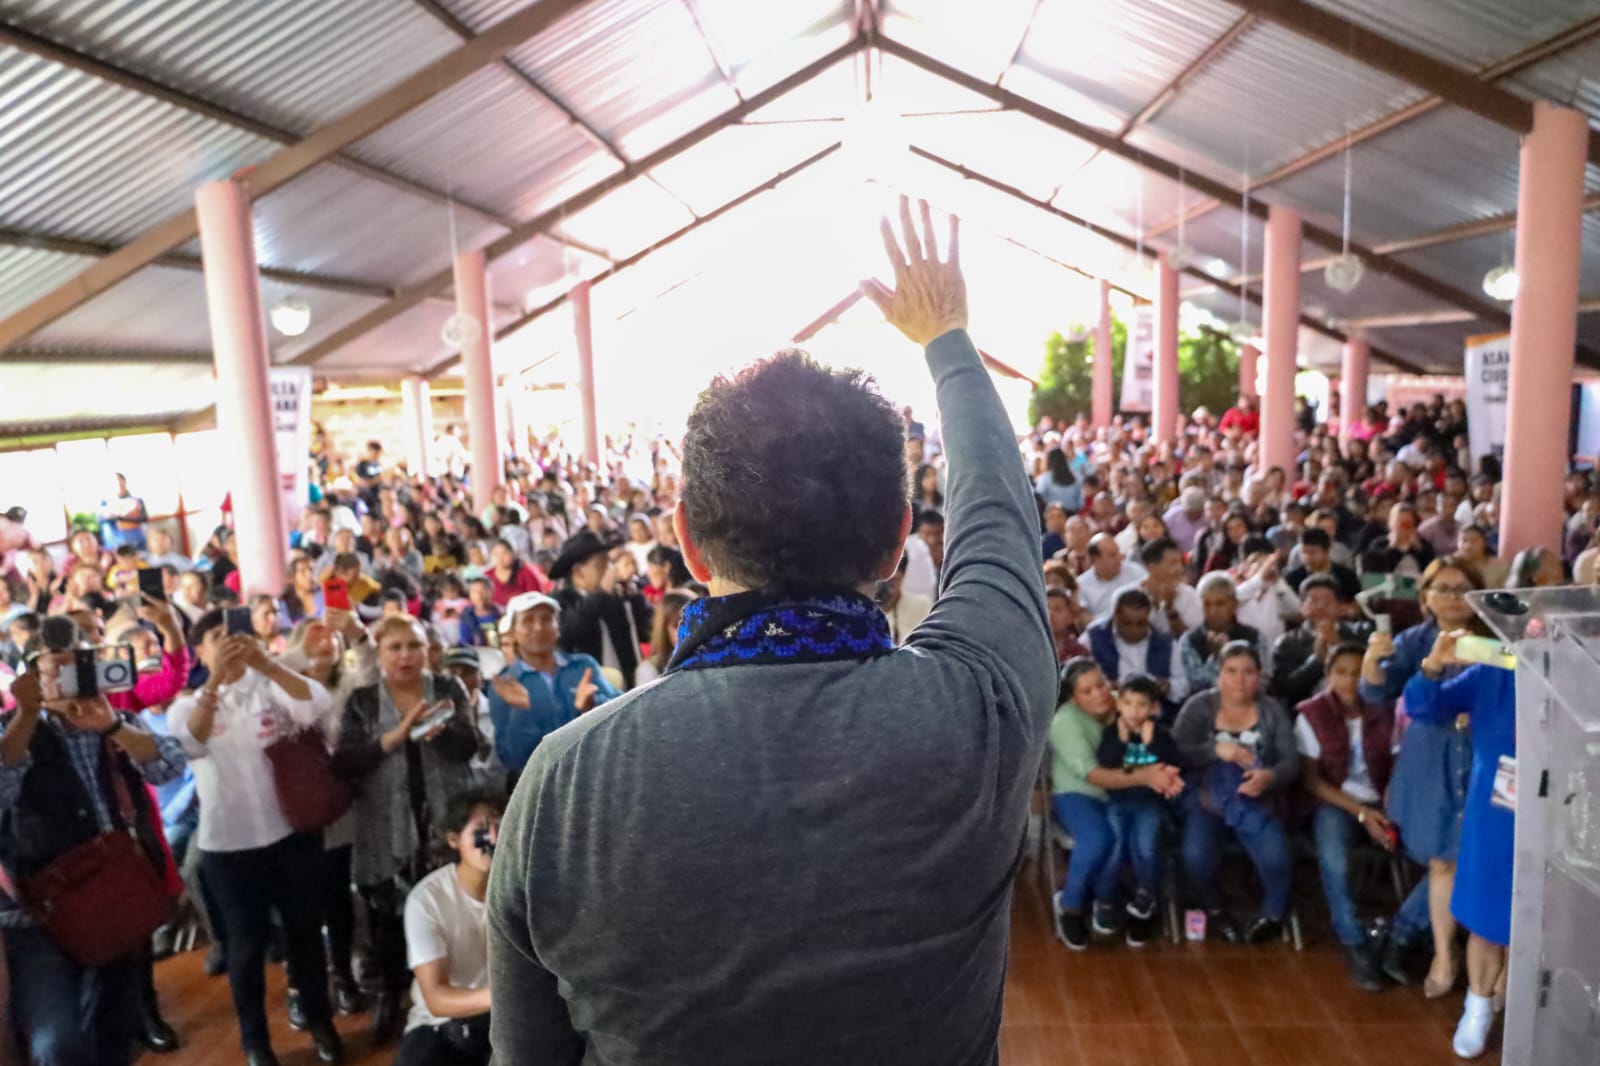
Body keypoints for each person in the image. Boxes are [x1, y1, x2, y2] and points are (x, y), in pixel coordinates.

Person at [488, 201, 1057, 1063]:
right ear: (899, 538)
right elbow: (1002, 525)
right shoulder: (974, 714)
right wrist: (947, 340)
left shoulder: (562, 782)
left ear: (684, 537)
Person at [0, 625, 186, 1066]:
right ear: (33, 678)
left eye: (80, 664)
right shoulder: (15, 728)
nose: (71, 678)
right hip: (49, 907)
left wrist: (112, 725)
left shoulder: (111, 717)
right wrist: (26, 715)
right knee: (60, 1038)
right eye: (57, 669)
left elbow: (167, 768)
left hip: (118, 891)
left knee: (115, 1020)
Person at [165, 611, 344, 1066]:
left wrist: (268, 665)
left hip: (290, 833)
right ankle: (255, 1042)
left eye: (236, 635)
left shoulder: (272, 687)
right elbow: (190, 742)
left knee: (305, 934)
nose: (230, 644)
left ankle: (321, 1022)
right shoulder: (188, 703)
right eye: (217, 638)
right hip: (228, 846)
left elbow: (317, 702)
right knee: (245, 947)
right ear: (199, 651)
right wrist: (214, 682)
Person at [333, 616, 480, 1045]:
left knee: (452, 908)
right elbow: (344, 762)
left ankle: (458, 993)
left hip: (445, 818)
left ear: (427, 649)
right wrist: (393, 738)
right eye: (394, 647)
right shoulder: (361, 701)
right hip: (385, 822)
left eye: (413, 646)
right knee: (388, 919)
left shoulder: (448, 688)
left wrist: (439, 737)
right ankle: (392, 995)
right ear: (378, 654)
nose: (405, 656)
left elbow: (469, 745)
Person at [1362, 556, 1484, 995]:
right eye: (1442, 589)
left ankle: (1413, 935)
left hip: (1481, 755)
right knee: (1441, 858)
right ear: (1426, 597)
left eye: (1461, 588)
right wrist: (1372, 660)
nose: (1452, 598)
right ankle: (1439, 952)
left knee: (1469, 855)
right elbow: (1376, 690)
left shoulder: (1496, 636)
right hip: (1431, 757)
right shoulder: (1415, 640)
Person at [1403, 631, 1515, 1059]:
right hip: (1499, 806)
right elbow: (1424, 706)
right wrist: (1433, 664)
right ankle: (1478, 1006)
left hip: (1572, 805)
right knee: (1488, 912)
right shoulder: (1498, 668)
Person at [278, 613, 376, 1023]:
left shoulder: (347, 686)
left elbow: (372, 677)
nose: (326, 642)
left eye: (331, 637)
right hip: (293, 807)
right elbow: (270, 669)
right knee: (299, 903)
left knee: (337, 897)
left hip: (340, 804)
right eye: (314, 635)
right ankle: (302, 985)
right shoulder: (281, 689)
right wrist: (300, 657)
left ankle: (343, 976)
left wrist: (355, 634)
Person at [1048, 659, 1182, 950]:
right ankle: (1070, 906)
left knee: (1147, 837)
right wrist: (1146, 776)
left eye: (1101, 684)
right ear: (1073, 697)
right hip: (1079, 793)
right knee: (1098, 839)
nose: (1099, 694)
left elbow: (1161, 735)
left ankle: (1137, 903)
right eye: (1087, 691)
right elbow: (1094, 775)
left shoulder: (1125, 703)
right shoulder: (1064, 722)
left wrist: (1162, 775)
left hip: (1128, 796)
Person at [1172, 642, 1298, 944]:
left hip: (1254, 796)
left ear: (1260, 676)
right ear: (1218, 674)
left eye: (1247, 672)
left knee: (1278, 858)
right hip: (1206, 798)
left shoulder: (1271, 711)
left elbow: (1291, 763)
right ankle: (1214, 908)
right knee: (1195, 857)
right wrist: (1214, 750)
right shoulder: (1199, 706)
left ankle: (1272, 913)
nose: (1239, 680)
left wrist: (1269, 776)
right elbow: (1176, 752)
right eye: (1231, 671)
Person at [1297, 643, 1399, 991]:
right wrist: (1361, 813)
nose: (1350, 680)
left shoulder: (1385, 712)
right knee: (1335, 859)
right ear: (1328, 676)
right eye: (1341, 672)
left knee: (1435, 856)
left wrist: (1386, 806)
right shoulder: (1311, 714)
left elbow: (1399, 768)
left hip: (1382, 801)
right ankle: (1354, 941)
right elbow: (1311, 781)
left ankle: (1401, 934)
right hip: (1336, 803)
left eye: (1358, 672)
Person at [395, 789, 500, 1066]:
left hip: (508, 1018)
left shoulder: (520, 888)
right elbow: (437, 998)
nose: (494, 837)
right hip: (444, 1024)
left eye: (500, 825)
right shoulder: (426, 900)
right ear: (454, 840)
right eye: (481, 829)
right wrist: (505, 993)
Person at [1093, 673, 1181, 947]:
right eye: (1128, 703)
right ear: (1118, 704)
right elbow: (1105, 762)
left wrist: (1151, 742)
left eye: (1142, 704)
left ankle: (1146, 899)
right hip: (1118, 800)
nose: (1134, 710)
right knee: (1115, 846)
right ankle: (1105, 900)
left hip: (1149, 803)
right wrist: (1121, 741)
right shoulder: (1111, 732)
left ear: (1153, 707)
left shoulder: (1161, 733)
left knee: (1146, 847)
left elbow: (1174, 761)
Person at [485, 592, 613, 780]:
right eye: (528, 621)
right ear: (513, 633)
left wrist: (593, 705)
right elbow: (512, 759)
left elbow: (622, 713)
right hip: (542, 787)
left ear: (557, 628)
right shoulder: (504, 686)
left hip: (595, 774)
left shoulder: (583, 667)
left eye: (546, 619)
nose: (538, 627)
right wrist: (521, 711)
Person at [547, 530, 652, 689]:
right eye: (600, 565)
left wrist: (634, 597)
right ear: (578, 571)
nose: (609, 570)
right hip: (589, 691)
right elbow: (567, 633)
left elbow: (647, 632)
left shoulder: (616, 597)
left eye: (609, 563)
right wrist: (601, 593)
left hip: (629, 687)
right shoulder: (560, 601)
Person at [1084, 587, 1187, 708]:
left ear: (1149, 617)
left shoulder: (1167, 643)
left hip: (1154, 711)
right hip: (1108, 709)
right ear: (1115, 616)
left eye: (1141, 623)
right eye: (1127, 623)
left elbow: (1183, 685)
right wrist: (1108, 686)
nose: (1134, 630)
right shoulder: (1093, 638)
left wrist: (1169, 686)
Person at [1269, 574, 1361, 709]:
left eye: (1328, 601)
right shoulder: (1287, 642)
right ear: (1302, 606)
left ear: (1339, 606)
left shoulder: (1358, 634)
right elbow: (1285, 690)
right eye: (1314, 601)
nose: (1321, 607)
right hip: (1305, 713)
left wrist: (1339, 645)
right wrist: (1317, 660)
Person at [1179, 572, 1264, 695]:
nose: (1213, 611)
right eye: (1207, 604)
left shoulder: (1254, 637)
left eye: (1220, 604)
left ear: (1234, 603)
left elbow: (1261, 683)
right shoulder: (1190, 640)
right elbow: (1194, 685)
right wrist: (1216, 658)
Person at [1077, 532, 1147, 619]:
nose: (1119, 558)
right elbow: (1084, 618)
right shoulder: (1081, 585)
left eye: (1118, 552)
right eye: (1112, 555)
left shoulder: (1136, 571)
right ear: (1095, 559)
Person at [1283, 527, 1361, 602]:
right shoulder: (1293, 579)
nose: (1307, 557)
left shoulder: (1347, 577)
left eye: (1312, 552)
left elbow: (1356, 603)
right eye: (1304, 552)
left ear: (1326, 552)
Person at [633, 590, 694, 685]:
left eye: (691, 625)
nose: (686, 632)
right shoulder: (650, 670)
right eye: (676, 626)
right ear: (664, 630)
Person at [98, 473, 149, 552]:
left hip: (137, 544)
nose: (117, 483)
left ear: (124, 481)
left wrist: (118, 517)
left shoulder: (137, 500)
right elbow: (101, 519)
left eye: (119, 480)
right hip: (113, 547)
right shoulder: (104, 502)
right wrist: (122, 516)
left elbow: (144, 518)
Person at [1034, 447, 1082, 514]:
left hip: (1054, 517)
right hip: (1071, 515)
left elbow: (1037, 498)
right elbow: (1080, 504)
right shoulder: (1076, 477)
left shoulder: (1044, 478)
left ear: (1049, 461)